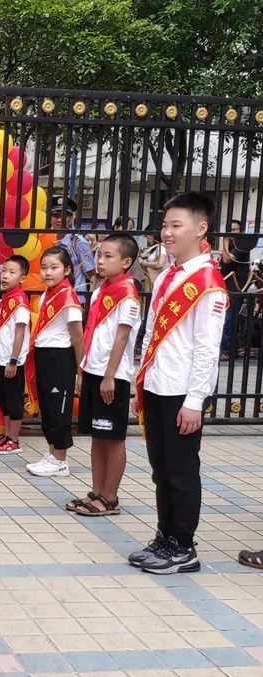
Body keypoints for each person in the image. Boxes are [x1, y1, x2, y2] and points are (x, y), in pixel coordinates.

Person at [132, 193, 226, 574]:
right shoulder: (170, 275)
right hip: (157, 384)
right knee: (160, 468)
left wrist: (196, 400)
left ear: (200, 228)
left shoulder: (207, 282)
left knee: (181, 472)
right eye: (165, 225)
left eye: (176, 225)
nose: (166, 233)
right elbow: (152, 331)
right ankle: (165, 537)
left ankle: (183, 547)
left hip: (181, 392)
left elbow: (207, 347)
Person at [69, 234, 141, 515]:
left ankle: (110, 498)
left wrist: (109, 376)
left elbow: (121, 339)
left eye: (108, 256)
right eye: (99, 255)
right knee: (98, 436)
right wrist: (83, 370)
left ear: (126, 262)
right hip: (93, 369)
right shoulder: (101, 290)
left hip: (113, 376)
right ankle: (96, 491)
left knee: (113, 437)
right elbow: (92, 333)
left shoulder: (127, 294)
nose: (100, 261)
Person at [23, 247, 83, 477]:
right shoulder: (49, 293)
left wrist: (80, 369)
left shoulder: (67, 297)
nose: (48, 272)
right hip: (44, 354)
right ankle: (51, 454)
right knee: (48, 407)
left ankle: (60, 460)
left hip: (60, 356)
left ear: (67, 270)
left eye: (54, 268)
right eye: (44, 267)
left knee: (59, 409)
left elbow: (77, 336)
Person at [0, 255, 30, 456]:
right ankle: (5, 436)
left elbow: (20, 333)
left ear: (22, 278)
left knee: (13, 400)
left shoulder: (19, 301)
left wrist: (13, 360)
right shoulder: (5, 299)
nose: (5, 276)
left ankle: (14, 439)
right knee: (2, 399)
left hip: (12, 361)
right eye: (4, 271)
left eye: (12, 272)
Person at [220, 219, 255, 358]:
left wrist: (224, 241)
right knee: (227, 317)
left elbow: (227, 259)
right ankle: (231, 348)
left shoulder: (242, 244)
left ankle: (227, 350)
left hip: (237, 286)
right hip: (225, 284)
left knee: (229, 318)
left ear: (240, 231)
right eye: (230, 229)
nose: (232, 232)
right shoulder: (230, 243)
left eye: (235, 229)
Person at [50, 196, 96, 292]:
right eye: (56, 216)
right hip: (51, 296)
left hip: (74, 298)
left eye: (63, 216)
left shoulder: (78, 242)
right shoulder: (47, 240)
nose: (59, 220)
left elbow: (91, 273)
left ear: (71, 219)